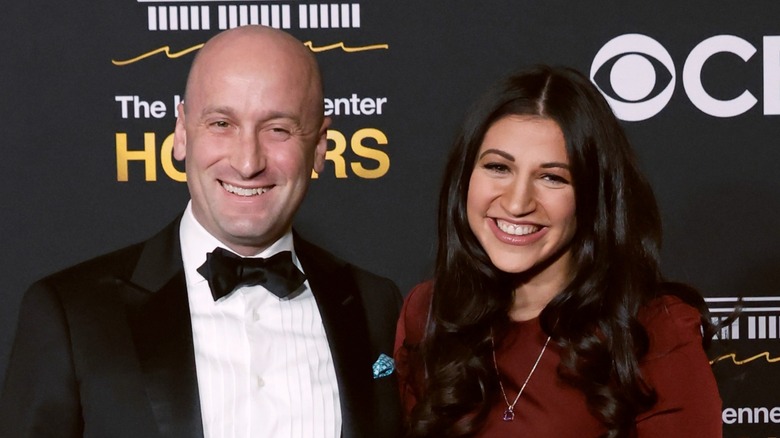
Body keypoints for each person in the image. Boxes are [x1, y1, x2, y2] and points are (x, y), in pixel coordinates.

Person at [0, 25, 402, 438]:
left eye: (278, 129)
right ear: (180, 133)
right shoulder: (73, 313)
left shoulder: (375, 305)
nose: (248, 162)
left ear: (319, 146)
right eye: (221, 123)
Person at [394, 65, 722, 437]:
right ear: (464, 178)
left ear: (591, 196)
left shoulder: (652, 329)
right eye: (498, 167)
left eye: (552, 177)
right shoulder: (430, 313)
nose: (518, 204)